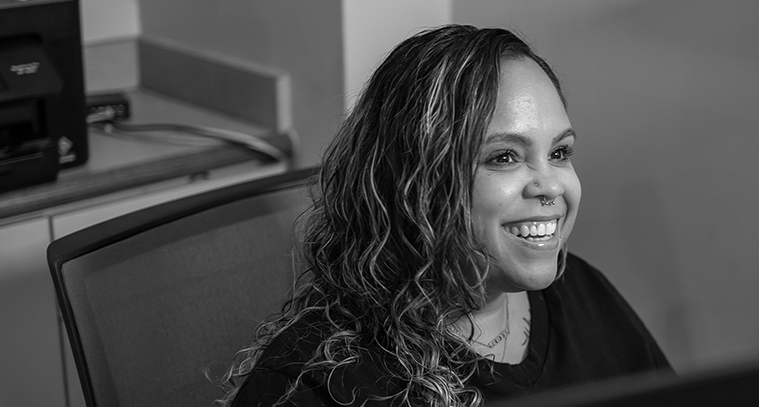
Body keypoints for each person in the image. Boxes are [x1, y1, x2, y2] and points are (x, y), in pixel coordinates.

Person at [219, 25, 671, 407]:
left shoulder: (582, 293)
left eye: (559, 152)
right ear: (414, 181)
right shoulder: (319, 385)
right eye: (505, 158)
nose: (551, 186)